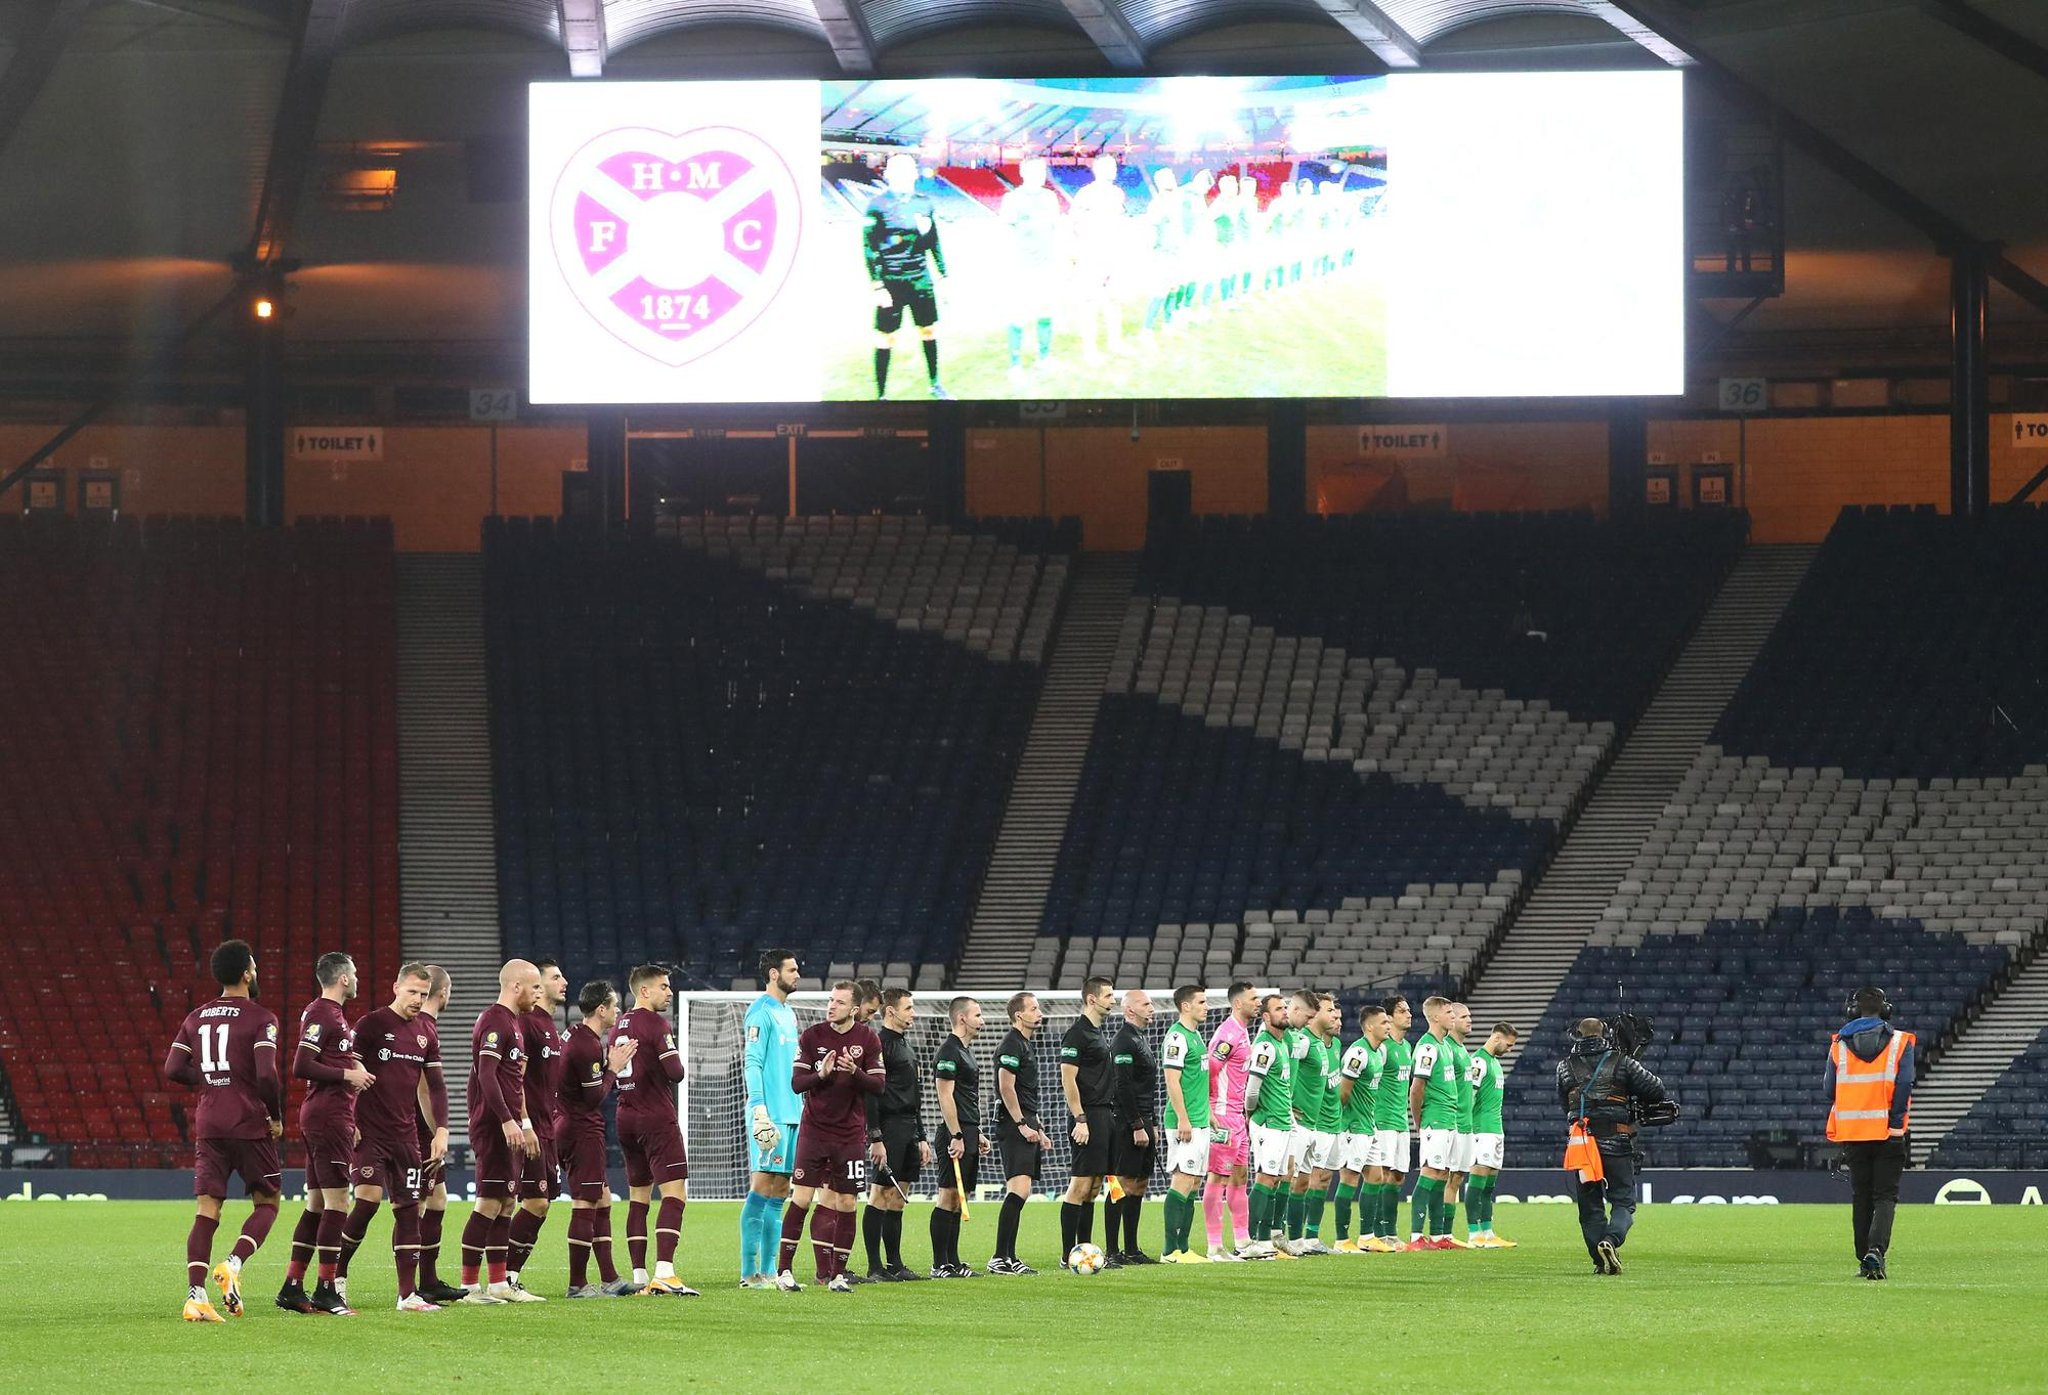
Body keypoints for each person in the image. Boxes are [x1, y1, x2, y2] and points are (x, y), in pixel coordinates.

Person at [162, 939, 284, 1322]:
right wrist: (276, 1115)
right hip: (248, 1121)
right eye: (255, 965)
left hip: (210, 1122)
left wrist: (212, 1080)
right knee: (268, 1203)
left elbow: (172, 1068)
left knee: (206, 1211)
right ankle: (233, 1264)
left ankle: (196, 1297)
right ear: (247, 972)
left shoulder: (196, 1016)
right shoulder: (262, 1017)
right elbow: (267, 1074)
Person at [338, 963, 441, 1311]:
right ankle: (336, 1280)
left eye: (423, 995)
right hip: (370, 1133)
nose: (417, 999)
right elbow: (348, 1070)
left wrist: (440, 1130)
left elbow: (433, 1089)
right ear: (395, 987)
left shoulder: (426, 1032)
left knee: (410, 1211)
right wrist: (349, 1118)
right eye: (412, 991)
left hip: (406, 1135)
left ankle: (406, 1295)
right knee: (366, 1204)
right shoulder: (371, 1025)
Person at [777, 981, 885, 1292]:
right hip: (814, 1130)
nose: (831, 1006)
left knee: (848, 1202)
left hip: (849, 1134)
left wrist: (856, 1073)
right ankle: (784, 1271)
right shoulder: (812, 1036)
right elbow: (797, 1083)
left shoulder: (868, 1039)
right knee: (801, 1197)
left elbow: (878, 1086)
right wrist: (820, 1075)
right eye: (830, 1000)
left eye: (839, 1002)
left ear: (854, 1009)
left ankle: (836, 1276)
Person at [278, 951, 371, 1315]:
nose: (359, 978)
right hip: (327, 1117)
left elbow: (328, 1060)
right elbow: (301, 1064)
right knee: (338, 1204)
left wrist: (351, 1068)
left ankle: (292, 1286)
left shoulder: (332, 1016)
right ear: (344, 978)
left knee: (316, 1204)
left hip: (331, 1116)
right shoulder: (321, 1012)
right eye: (355, 972)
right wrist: (349, 1075)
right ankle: (327, 1289)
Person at [1558, 1016, 1671, 1275]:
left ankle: (1600, 1260)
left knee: (1589, 1205)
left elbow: (1566, 1105)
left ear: (1577, 1035)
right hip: (1617, 1142)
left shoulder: (1565, 1066)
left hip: (1583, 1144)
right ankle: (1611, 1240)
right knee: (1623, 1201)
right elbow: (1656, 1090)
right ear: (1605, 1034)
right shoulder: (1622, 1062)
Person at [611, 963, 696, 1295]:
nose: (669, 991)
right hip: (655, 1118)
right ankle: (665, 1272)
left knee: (638, 1198)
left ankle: (639, 1275)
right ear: (644, 990)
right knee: (675, 1195)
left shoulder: (618, 1025)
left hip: (625, 1116)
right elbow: (675, 1071)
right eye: (663, 986)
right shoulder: (656, 1024)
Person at [1825, 986, 1915, 1280]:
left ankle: (1863, 1256)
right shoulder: (1901, 1042)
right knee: (1885, 1196)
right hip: (1888, 1132)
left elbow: (1829, 1089)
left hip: (1853, 1132)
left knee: (1861, 1196)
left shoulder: (1838, 1044)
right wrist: (1895, 1123)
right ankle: (1876, 1251)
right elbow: (1904, 1085)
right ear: (1885, 1009)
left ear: (1852, 1011)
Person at [465, 959, 540, 1301]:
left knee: (507, 1202)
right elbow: (486, 1074)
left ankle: (498, 1284)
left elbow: (514, 1081)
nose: (537, 993)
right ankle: (468, 1286)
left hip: (509, 1126)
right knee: (488, 1203)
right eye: (534, 986)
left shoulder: (514, 1022)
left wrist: (522, 1121)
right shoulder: (495, 1021)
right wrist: (507, 1120)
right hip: (494, 1126)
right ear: (515, 986)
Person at [560, 978, 639, 1297]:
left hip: (570, 1123)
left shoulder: (574, 1035)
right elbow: (594, 1098)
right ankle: (577, 1284)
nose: (618, 1010)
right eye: (615, 1005)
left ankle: (610, 1278)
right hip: (581, 1128)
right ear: (602, 1009)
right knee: (585, 1201)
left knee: (602, 1198)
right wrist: (613, 1068)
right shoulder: (587, 1044)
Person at [864, 151, 950, 400]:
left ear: (914, 173)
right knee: (885, 336)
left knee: (928, 330)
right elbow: (868, 247)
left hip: (921, 279)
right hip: (891, 282)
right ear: (888, 174)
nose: (902, 175)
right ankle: (881, 396)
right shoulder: (877, 205)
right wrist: (877, 284)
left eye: (908, 170)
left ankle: (935, 385)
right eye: (896, 170)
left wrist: (943, 274)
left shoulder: (924, 203)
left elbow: (934, 241)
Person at [741, 948, 803, 1289]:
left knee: (781, 1190)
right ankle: (749, 1272)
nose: (798, 974)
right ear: (773, 974)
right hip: (771, 1115)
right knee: (762, 1187)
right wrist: (759, 1109)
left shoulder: (788, 1013)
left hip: (793, 1112)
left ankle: (770, 1271)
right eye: (792, 969)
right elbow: (753, 1063)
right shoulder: (760, 1012)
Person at [508, 958, 569, 1292]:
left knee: (542, 1205)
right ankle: (504, 1275)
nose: (564, 982)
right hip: (532, 1128)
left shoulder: (548, 1026)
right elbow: (515, 1077)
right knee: (533, 1202)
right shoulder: (528, 1024)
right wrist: (526, 1121)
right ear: (537, 984)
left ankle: (509, 1276)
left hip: (548, 1128)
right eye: (556, 977)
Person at [864, 987, 932, 1281]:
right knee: (880, 1193)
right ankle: (874, 1266)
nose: (913, 1013)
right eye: (908, 1008)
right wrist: (875, 1136)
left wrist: (921, 1136)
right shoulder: (879, 1045)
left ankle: (895, 1263)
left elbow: (914, 1096)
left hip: (908, 1127)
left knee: (898, 1197)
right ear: (890, 1012)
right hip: (889, 1126)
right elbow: (871, 1095)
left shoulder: (906, 1046)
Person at [412, 965, 464, 1304]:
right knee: (414, 1206)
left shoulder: (424, 1025)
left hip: (418, 1127)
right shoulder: (423, 1027)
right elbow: (423, 1088)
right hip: (416, 1129)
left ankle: (428, 1279)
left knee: (437, 1199)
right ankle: (411, 1285)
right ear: (443, 993)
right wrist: (436, 1132)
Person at [1058, 976, 1118, 1267]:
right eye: (1108, 996)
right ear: (1092, 999)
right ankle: (1067, 1253)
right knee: (1080, 1184)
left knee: (1094, 1186)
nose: (1113, 1000)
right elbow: (1068, 1078)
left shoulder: (1097, 1032)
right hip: (1089, 1114)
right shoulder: (1077, 1034)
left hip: (1104, 1114)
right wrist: (1079, 1118)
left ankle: (1084, 1251)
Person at [988, 990, 1049, 1275]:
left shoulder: (1024, 1044)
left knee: (1021, 1192)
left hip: (1025, 1122)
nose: (1039, 1013)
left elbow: (1023, 1091)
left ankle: (1008, 1256)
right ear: (1019, 1015)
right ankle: (1000, 1256)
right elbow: (1006, 1087)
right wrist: (1022, 1124)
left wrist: (1037, 1126)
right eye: (1034, 1009)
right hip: (1014, 1126)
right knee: (1019, 1190)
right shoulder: (1011, 1044)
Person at [930, 995, 989, 1278]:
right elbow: (945, 1095)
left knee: (957, 1198)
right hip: (954, 1133)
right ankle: (939, 1264)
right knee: (947, 1195)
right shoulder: (949, 1051)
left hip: (967, 1130)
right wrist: (956, 1134)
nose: (983, 1020)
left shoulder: (965, 1051)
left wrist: (975, 1132)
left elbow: (965, 1098)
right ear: (962, 1018)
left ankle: (952, 1261)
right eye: (978, 1015)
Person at [1203, 981, 1257, 1260]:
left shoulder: (1244, 1033)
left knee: (1240, 1177)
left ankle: (1243, 1242)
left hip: (1238, 1117)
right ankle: (1214, 1245)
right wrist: (1209, 1110)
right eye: (1253, 998)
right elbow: (1209, 1069)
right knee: (1218, 1177)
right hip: (1222, 1115)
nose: (1258, 1002)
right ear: (1238, 1003)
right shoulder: (1227, 1034)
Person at [1157, 985, 1211, 1263]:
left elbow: (1197, 1081)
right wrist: (1183, 1118)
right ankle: (1170, 1250)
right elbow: (1172, 1080)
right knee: (1182, 1180)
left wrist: (1208, 1115)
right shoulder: (1177, 1037)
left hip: (1201, 1121)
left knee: (1194, 1183)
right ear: (1185, 1006)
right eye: (1201, 1002)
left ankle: (1184, 1247)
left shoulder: (1196, 1036)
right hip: (1185, 1122)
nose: (1207, 1006)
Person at [1285, 991, 1341, 1253]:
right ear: (1314, 1014)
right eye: (1329, 1010)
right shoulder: (1303, 1042)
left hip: (1314, 1122)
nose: (1335, 1015)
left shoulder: (1321, 1044)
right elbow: (1286, 1073)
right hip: (1297, 1121)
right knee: (1288, 1179)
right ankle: (1269, 1236)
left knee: (1304, 1181)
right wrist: (1287, 1104)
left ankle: (1299, 1239)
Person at [1332, 1002, 1389, 1252]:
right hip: (1353, 1126)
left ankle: (1367, 1236)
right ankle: (1342, 1239)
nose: (1388, 1026)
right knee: (1349, 1178)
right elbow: (1343, 1093)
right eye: (1384, 1023)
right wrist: (1343, 1122)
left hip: (1369, 1124)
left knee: (1376, 1176)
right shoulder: (1358, 1053)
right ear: (1369, 1026)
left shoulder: (1380, 1052)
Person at [1244, 992, 1296, 1259]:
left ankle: (1267, 1239)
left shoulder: (1282, 1043)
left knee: (1276, 1179)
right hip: (1268, 1122)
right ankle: (1253, 1239)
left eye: (1285, 1007)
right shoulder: (1264, 1045)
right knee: (1266, 1177)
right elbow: (1252, 1089)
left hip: (1282, 1121)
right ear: (1266, 1017)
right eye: (1279, 1009)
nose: (1285, 1011)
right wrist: (1251, 1113)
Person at [1108, 987, 1158, 1264]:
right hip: (1127, 1122)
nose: (1151, 1008)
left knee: (1139, 1184)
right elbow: (1122, 1086)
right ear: (1130, 1010)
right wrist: (1138, 1124)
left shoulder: (1139, 1039)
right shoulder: (1124, 1041)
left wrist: (1151, 1123)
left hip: (1143, 1119)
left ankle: (1132, 1249)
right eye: (1146, 1004)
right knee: (1121, 1183)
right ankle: (1113, 1251)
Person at [999, 156, 1062, 375]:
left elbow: (1055, 229)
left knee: (1045, 313)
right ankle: (1015, 365)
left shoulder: (1050, 197)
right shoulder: (1013, 199)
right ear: (1023, 173)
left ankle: (1043, 358)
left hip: (1046, 265)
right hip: (1022, 266)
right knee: (1018, 315)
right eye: (1034, 171)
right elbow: (1005, 232)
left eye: (1042, 171)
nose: (1039, 175)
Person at [1407, 995, 1458, 1249]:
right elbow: (1416, 1089)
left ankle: (1438, 1236)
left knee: (1442, 1174)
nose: (1453, 1016)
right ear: (1435, 1016)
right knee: (1429, 1172)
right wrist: (1420, 1121)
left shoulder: (1446, 1045)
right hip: (1435, 1118)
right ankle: (1416, 1236)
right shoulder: (1427, 1046)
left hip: (1449, 1118)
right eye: (1449, 1012)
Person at [1367, 995, 1414, 1250]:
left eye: (1408, 1010)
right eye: (1402, 1011)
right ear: (1389, 1017)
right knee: (1382, 1176)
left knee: (1397, 1177)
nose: (1409, 1014)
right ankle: (1377, 1232)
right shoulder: (1383, 1048)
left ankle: (1390, 1231)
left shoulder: (1406, 1048)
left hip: (1400, 1121)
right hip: (1382, 1120)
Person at [1468, 1020, 1517, 1248]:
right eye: (1508, 1044)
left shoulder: (1495, 1063)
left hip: (1496, 1130)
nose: (1510, 1049)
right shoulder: (1478, 1061)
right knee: (1477, 1181)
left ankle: (1487, 1232)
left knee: (1488, 1186)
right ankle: (1473, 1233)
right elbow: (1470, 1096)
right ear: (1496, 1037)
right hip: (1481, 1130)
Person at [1442, 1002, 1477, 1248]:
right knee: (1447, 1177)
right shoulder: (1448, 1050)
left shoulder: (1462, 1050)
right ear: (1451, 1020)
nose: (1469, 1020)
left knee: (1457, 1178)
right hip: (1452, 1122)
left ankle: (1447, 1233)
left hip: (1466, 1123)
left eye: (1470, 1016)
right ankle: (1441, 1233)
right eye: (1464, 1016)